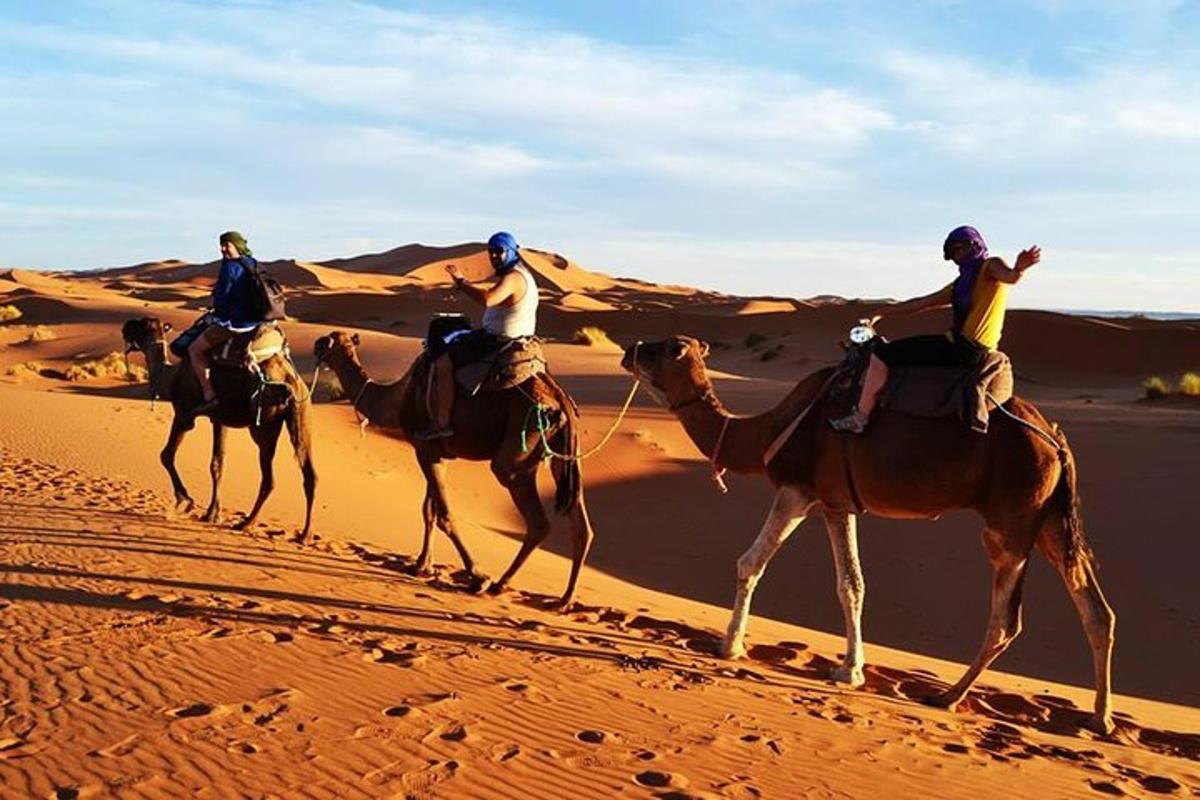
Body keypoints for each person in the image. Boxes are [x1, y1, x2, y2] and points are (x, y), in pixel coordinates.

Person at [829, 225, 1040, 433]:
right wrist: (880, 313)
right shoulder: (960, 285)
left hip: (965, 348)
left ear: (975, 244)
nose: (958, 255)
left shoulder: (990, 267)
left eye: (961, 248)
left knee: (881, 354)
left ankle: (860, 417)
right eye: (953, 251)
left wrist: (1020, 268)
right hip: (960, 344)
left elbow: (1010, 277)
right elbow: (923, 302)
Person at [417, 231, 539, 440]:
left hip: (498, 340)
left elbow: (488, 300)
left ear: (511, 251)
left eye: (499, 251)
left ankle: (442, 423)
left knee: (444, 362)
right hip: (507, 337)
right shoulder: (519, 275)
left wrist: (461, 282)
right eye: (490, 251)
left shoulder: (513, 278)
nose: (493, 256)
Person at [187, 230, 264, 418]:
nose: (222, 249)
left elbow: (222, 297)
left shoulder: (230, 267)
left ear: (236, 245)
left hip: (236, 323)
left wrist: (216, 314)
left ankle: (209, 395)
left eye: (226, 245)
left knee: (194, 350)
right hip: (257, 321)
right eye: (221, 245)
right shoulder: (252, 263)